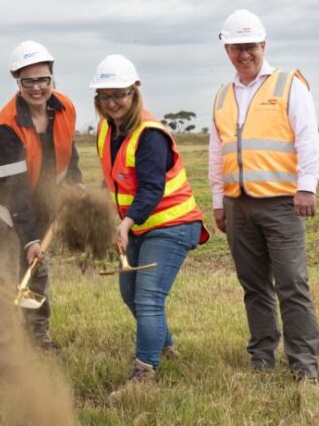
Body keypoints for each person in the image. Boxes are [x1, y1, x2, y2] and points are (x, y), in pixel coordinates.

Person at [208, 9, 319, 383]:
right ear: (227, 50)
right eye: (236, 47)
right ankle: (261, 357)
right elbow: (217, 150)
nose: (244, 54)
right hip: (238, 205)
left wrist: (306, 186)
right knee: (253, 286)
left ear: (264, 45)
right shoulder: (223, 94)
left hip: (282, 204)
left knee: (292, 284)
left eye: (250, 46)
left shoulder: (288, 84)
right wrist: (218, 201)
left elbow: (307, 137)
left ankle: (303, 365)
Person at [91, 54, 209, 401]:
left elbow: (151, 189)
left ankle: (142, 375)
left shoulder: (150, 134)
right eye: (104, 97)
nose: (112, 104)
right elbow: (117, 178)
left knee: (148, 297)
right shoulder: (106, 129)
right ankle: (166, 347)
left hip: (173, 224)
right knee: (129, 293)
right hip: (142, 226)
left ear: (135, 91)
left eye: (120, 95)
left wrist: (125, 224)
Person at [0, 41, 82, 369]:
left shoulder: (66, 108)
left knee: (36, 267)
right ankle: (5, 349)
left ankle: (37, 333)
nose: (37, 88)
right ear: (17, 82)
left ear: (52, 78)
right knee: (4, 273)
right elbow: (13, 196)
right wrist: (29, 239)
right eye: (28, 81)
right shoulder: (6, 128)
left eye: (43, 79)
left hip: (31, 197)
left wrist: (74, 188)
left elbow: (68, 154)